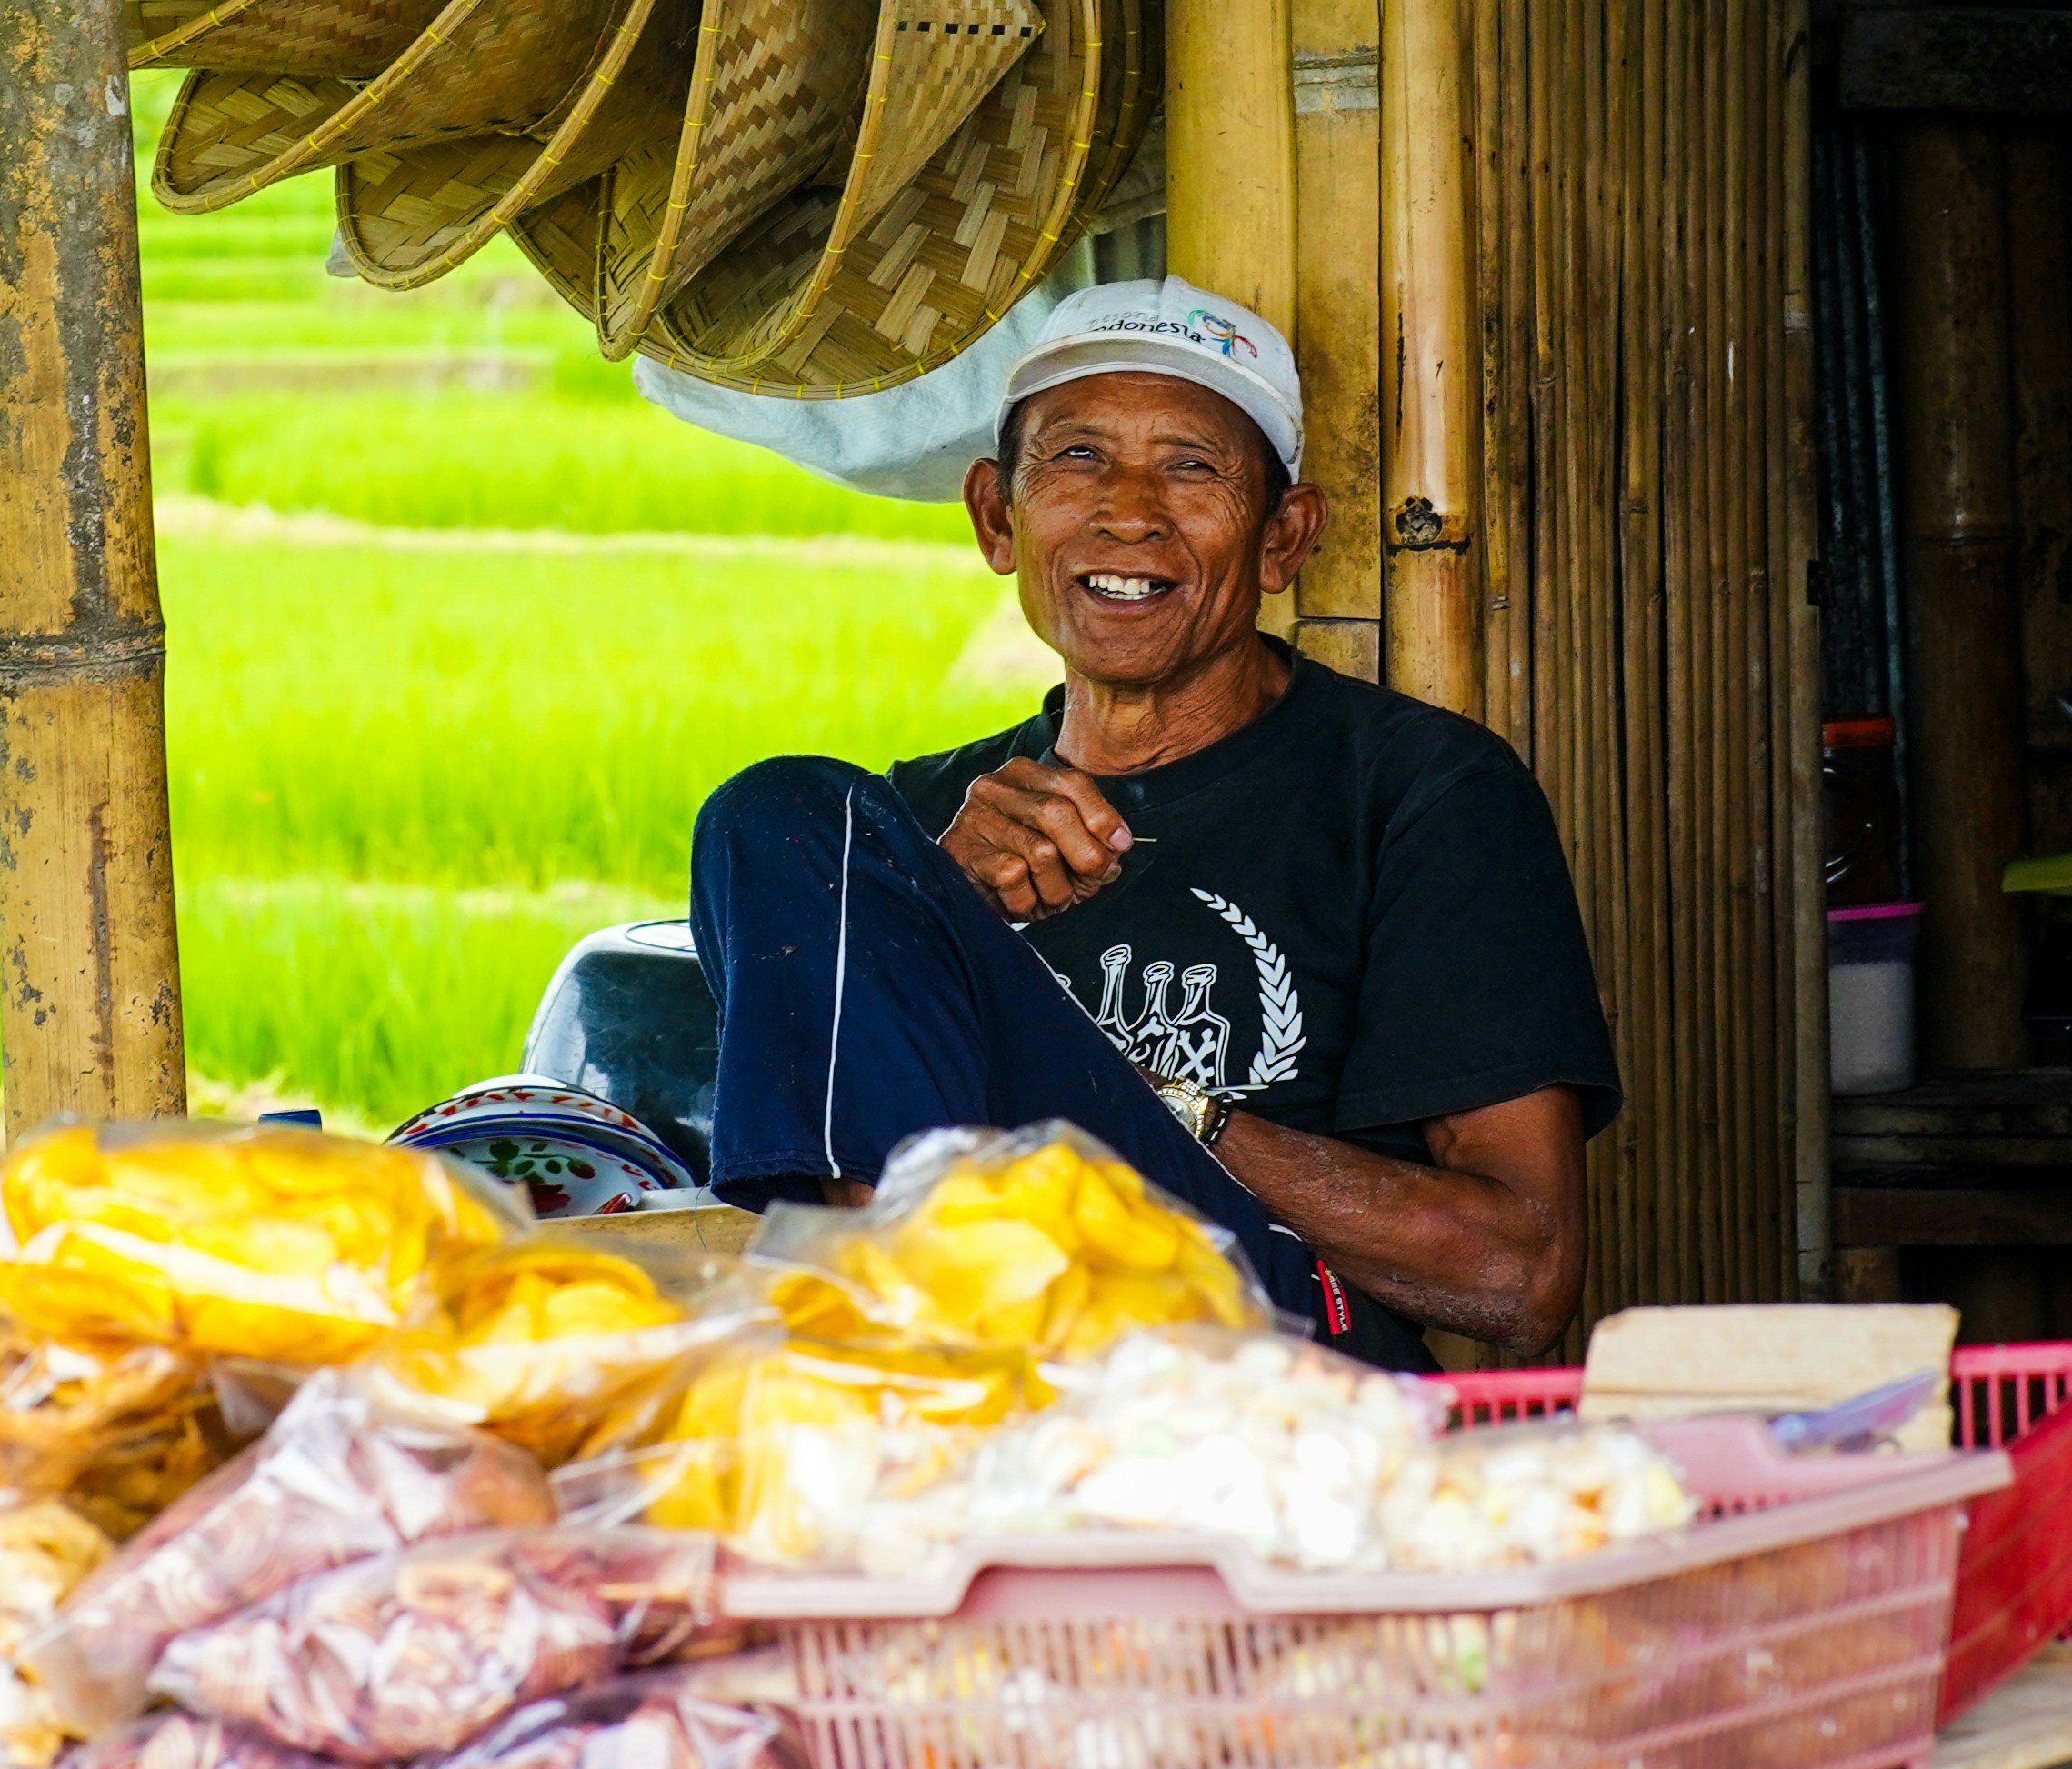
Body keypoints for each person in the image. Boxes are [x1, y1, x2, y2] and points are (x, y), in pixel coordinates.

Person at [689, 277, 1617, 1370]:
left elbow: (1515, 1273)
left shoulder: (1416, 791)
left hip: (1260, 1342)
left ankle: (917, 1355)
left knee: (802, 822)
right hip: (1001, 1338)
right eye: (1077, 458)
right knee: (784, 814)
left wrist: (1150, 1106)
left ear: (1282, 537)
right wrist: (928, 917)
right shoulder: (902, 838)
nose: (1127, 510)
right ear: (995, 515)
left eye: (1190, 465)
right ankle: (921, 1353)